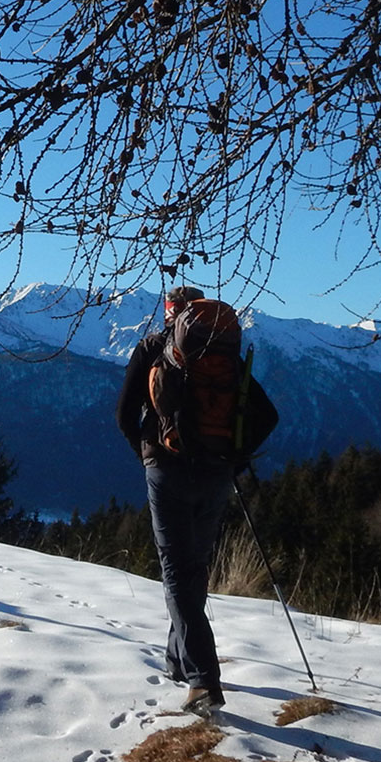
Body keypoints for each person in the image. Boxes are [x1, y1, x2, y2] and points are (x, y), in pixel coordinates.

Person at [116, 285, 238, 718]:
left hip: (167, 471)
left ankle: (203, 680)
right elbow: (266, 415)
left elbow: (123, 414)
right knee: (194, 569)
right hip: (217, 472)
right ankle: (178, 660)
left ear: (171, 314)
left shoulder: (152, 347)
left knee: (175, 573)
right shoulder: (226, 352)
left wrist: (147, 454)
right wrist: (232, 457)